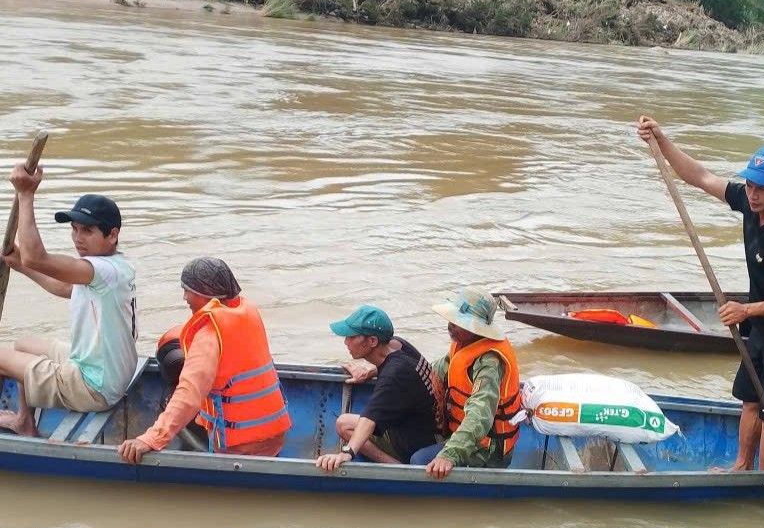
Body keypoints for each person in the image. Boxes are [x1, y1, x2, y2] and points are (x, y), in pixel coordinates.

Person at [637, 115, 764, 471]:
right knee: (750, 400)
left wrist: (747, 311)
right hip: (763, 328)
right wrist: (661, 140)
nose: (752, 194)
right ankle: (741, 467)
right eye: (749, 184)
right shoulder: (749, 203)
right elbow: (701, 176)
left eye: (762, 188)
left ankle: (763, 481)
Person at [0, 164, 137, 436]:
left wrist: (26, 195)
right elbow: (63, 287)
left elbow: (36, 257)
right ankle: (24, 420)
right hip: (109, 375)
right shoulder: (116, 266)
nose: (77, 238)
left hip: (93, 387)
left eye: (87, 231)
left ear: (113, 235)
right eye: (74, 229)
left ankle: (24, 420)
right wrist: (20, 265)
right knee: (23, 344)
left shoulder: (100, 269)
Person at [117, 257, 291, 463]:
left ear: (205, 292)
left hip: (241, 447)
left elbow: (189, 393)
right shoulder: (247, 312)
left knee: (173, 393)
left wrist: (152, 439)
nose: (185, 297)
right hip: (274, 435)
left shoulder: (209, 334)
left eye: (187, 290)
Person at [411, 287, 522, 480]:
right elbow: (435, 370)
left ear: (476, 328)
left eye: (458, 323)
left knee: (419, 461)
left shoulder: (489, 363)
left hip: (487, 448)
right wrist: (384, 370)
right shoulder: (463, 344)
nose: (450, 326)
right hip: (464, 432)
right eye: (451, 320)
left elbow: (480, 414)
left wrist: (449, 454)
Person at [316, 305, 438, 471]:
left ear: (373, 341)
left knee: (343, 424)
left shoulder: (394, 375)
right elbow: (394, 365)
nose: (346, 342)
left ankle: (397, 468)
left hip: (416, 441)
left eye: (351, 337)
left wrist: (347, 453)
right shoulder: (398, 344)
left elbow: (369, 420)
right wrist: (371, 370)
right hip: (423, 424)